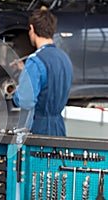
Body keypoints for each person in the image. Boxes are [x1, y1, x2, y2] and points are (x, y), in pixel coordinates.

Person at [12, 8, 73, 136]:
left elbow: (25, 100)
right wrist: (26, 71)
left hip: (39, 130)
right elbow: (50, 80)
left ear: (32, 29)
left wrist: (18, 90)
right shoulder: (64, 58)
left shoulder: (35, 61)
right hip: (59, 128)